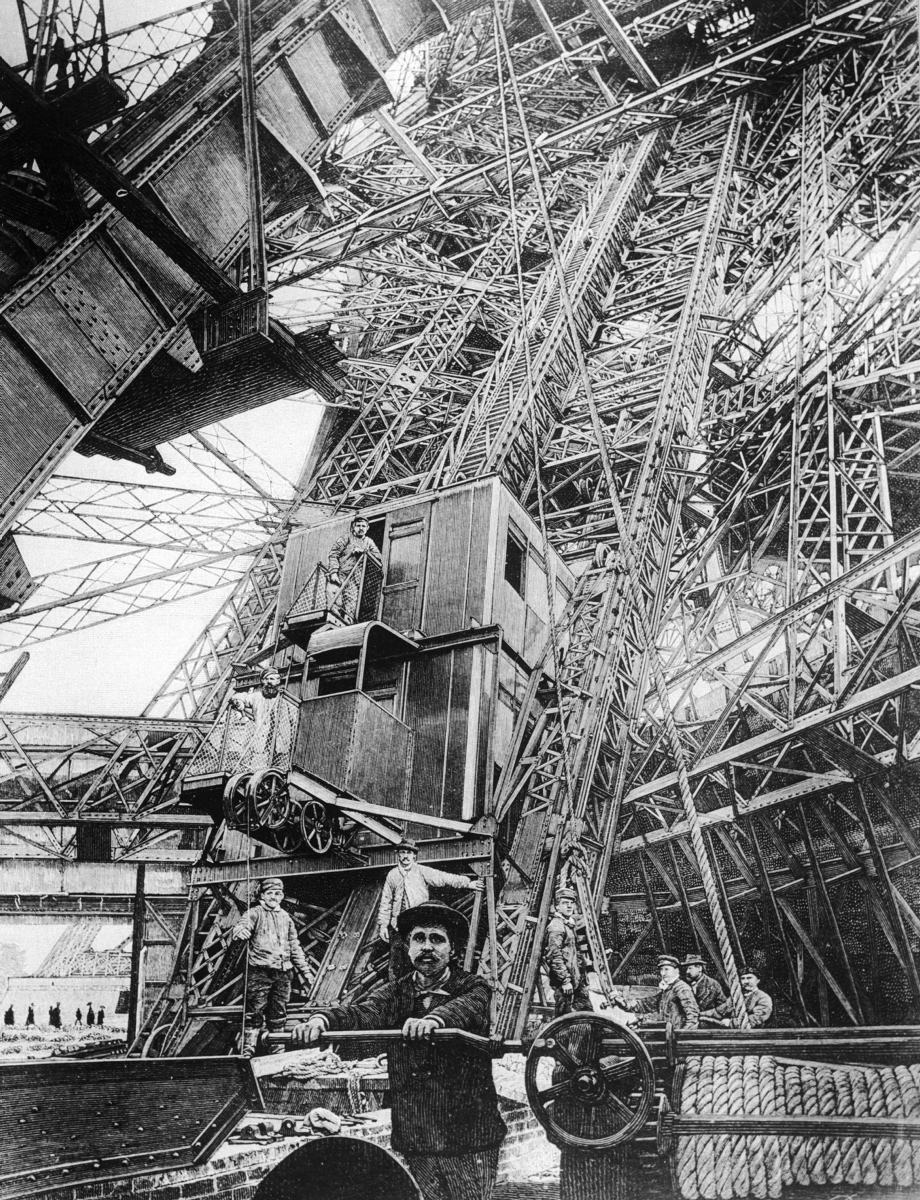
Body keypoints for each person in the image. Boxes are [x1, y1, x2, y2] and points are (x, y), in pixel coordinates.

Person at [294, 903, 506, 1200]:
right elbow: (362, 1012)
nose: (427, 947)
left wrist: (434, 1020)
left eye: (437, 939)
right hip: (417, 1135)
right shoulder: (395, 992)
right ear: (408, 947)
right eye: (419, 938)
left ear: (453, 950)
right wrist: (322, 1020)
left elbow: (465, 1008)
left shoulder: (474, 987)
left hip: (468, 1135)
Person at [378, 841, 484, 981]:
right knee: (397, 961)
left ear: (414, 856)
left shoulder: (421, 871)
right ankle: (396, 988)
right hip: (398, 925)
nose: (405, 856)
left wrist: (467, 883)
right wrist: (383, 925)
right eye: (402, 852)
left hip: (418, 923)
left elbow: (442, 877)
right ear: (398, 854)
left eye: (409, 853)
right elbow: (386, 900)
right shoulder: (392, 875)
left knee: (421, 958)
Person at [232, 877, 310, 1058]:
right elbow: (241, 927)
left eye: (277, 893)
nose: (274, 897)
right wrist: (240, 931)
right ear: (262, 895)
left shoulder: (285, 918)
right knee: (254, 1012)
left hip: (283, 973)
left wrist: (305, 970)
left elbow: (294, 946)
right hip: (260, 973)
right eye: (270, 893)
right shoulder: (254, 913)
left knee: (278, 1014)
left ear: (282, 896)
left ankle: (277, 1052)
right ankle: (248, 1052)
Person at [228, 666, 292, 771]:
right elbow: (240, 696)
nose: (269, 682)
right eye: (266, 679)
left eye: (272, 679)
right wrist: (238, 702)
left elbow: (294, 720)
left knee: (280, 770)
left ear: (278, 681)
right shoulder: (256, 697)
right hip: (261, 743)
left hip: (281, 745)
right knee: (258, 769)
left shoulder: (285, 700)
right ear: (262, 681)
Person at [543, 887, 592, 1017]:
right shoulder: (556, 926)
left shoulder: (568, 924)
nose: (569, 906)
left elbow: (574, 953)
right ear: (557, 906)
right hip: (564, 982)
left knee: (586, 1013)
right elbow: (555, 956)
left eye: (572, 903)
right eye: (565, 903)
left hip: (575, 979)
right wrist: (565, 981)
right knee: (563, 1017)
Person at [615, 954, 700, 1029]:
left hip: (675, 1036)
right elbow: (647, 1003)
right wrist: (626, 1004)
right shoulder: (668, 989)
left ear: (676, 970)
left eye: (666, 969)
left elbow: (693, 1017)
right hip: (667, 1033)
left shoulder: (682, 988)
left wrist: (683, 1035)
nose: (663, 973)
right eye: (661, 970)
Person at [326, 515, 382, 623]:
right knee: (334, 596)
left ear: (367, 528)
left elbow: (378, 557)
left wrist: (363, 551)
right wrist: (333, 572)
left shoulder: (368, 542)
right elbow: (333, 554)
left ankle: (347, 621)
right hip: (341, 573)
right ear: (353, 527)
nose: (361, 528)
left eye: (363, 526)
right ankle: (334, 619)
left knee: (351, 601)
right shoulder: (345, 538)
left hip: (355, 578)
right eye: (358, 526)